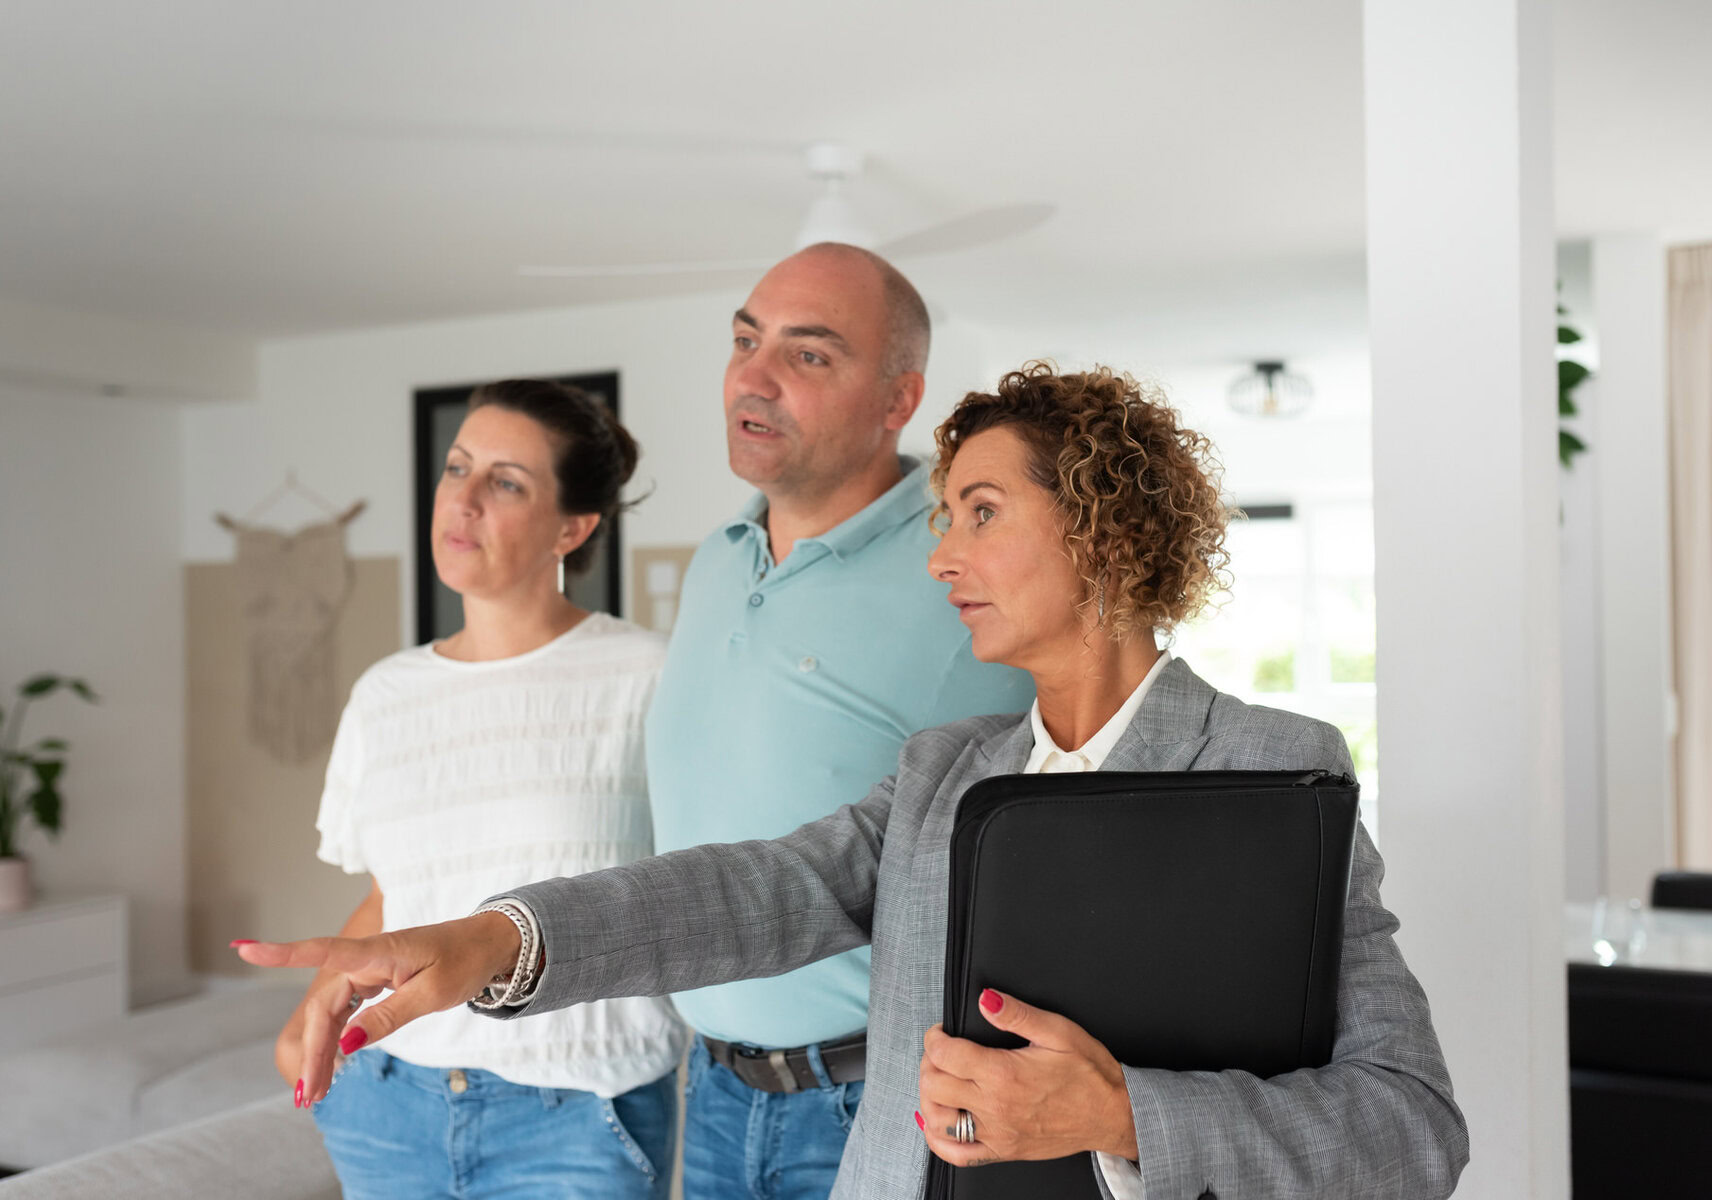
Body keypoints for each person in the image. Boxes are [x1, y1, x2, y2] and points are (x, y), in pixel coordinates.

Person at [245, 364, 1470, 1200]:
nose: (941, 553)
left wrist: (1120, 1117)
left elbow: (1409, 1128)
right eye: (941, 514)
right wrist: (492, 942)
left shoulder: (1274, 769)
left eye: (980, 511)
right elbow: (750, 894)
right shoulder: (944, 776)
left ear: (1101, 530)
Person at [642, 242, 1032, 1197]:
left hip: (875, 1100)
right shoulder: (716, 561)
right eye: (746, 340)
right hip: (714, 1091)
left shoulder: (966, 564)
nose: (755, 376)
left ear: (900, 399)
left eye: (808, 355)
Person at [268, 379, 688, 1199]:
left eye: (505, 481)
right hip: (389, 1107)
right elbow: (397, 893)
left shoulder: (650, 675)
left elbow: (691, 888)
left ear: (573, 527)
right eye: (456, 467)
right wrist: (303, 1022)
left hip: (580, 1111)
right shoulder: (385, 694)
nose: (461, 500)